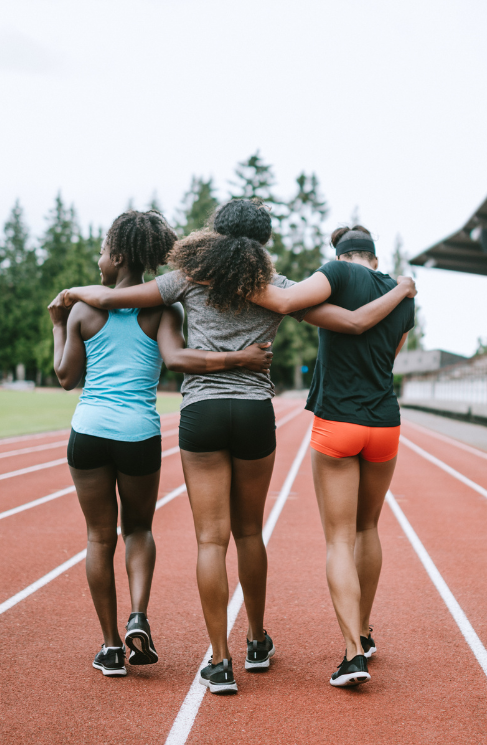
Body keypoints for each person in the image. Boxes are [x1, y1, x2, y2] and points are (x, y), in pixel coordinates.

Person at [59, 199, 415, 694]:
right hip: (254, 413)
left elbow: (125, 298)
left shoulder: (188, 277)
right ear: (262, 241)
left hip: (202, 414)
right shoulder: (276, 286)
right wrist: (396, 293)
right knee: (249, 533)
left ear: (216, 232)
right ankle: (255, 641)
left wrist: (76, 293)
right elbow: (342, 320)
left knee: (211, 540)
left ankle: (220, 663)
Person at [49, 209, 274, 679]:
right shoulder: (168, 308)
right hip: (142, 432)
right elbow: (174, 356)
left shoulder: (91, 308)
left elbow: (66, 377)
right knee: (144, 531)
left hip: (92, 428)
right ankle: (151, 619)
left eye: (104, 251)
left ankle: (116, 648)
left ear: (120, 254)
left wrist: (61, 318)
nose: (98, 259)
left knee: (100, 537)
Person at [245, 225, 415, 687]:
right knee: (368, 528)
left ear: (340, 256)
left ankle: (353, 654)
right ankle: (363, 629)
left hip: (339, 420)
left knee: (339, 540)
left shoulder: (335, 273)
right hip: (385, 422)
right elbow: (391, 356)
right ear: (374, 260)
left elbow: (289, 302)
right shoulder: (404, 296)